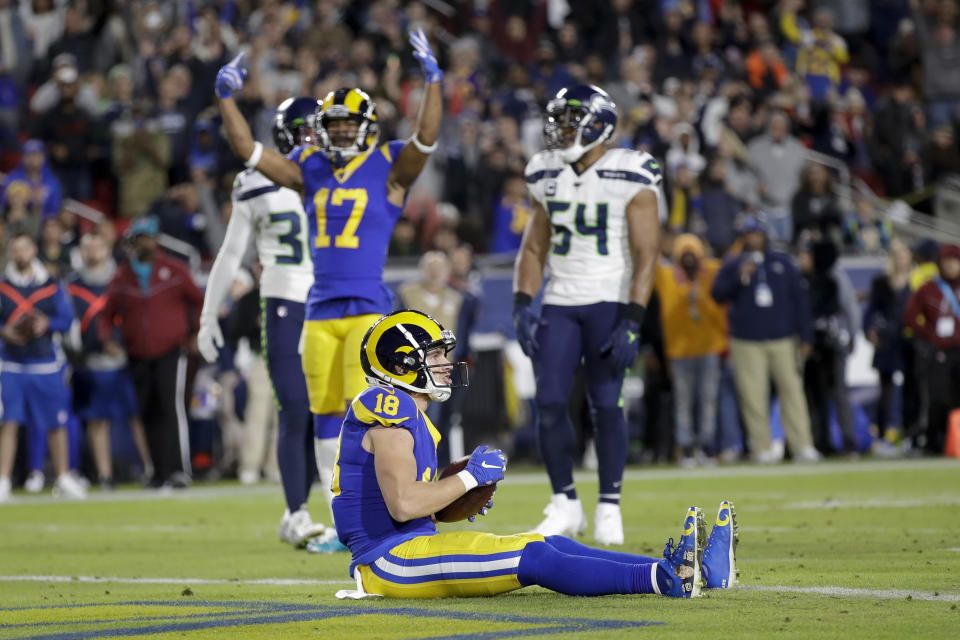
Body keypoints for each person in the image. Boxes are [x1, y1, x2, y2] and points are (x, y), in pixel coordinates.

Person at [331, 310, 739, 599]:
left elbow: (406, 504)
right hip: (388, 563)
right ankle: (667, 579)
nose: (446, 363)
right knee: (536, 556)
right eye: (435, 355)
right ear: (401, 364)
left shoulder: (414, 416)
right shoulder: (387, 406)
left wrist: (450, 501)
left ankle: (694, 569)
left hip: (407, 550)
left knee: (551, 541)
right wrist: (467, 479)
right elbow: (402, 505)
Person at [215, 30, 442, 548]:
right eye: (333, 126)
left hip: (366, 310)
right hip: (318, 310)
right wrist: (226, 98)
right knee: (321, 412)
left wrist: (433, 82)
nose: (339, 134)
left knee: (362, 413)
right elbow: (249, 151)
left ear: (365, 128)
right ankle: (344, 520)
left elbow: (425, 141)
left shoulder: (388, 165)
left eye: (347, 125)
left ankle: (373, 513)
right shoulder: (311, 168)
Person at [512, 84, 661, 545]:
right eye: (558, 118)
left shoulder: (631, 171)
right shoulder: (543, 171)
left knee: (606, 404)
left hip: (609, 298)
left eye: (572, 119)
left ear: (600, 124)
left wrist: (634, 317)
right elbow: (534, 246)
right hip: (561, 299)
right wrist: (521, 302)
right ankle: (565, 502)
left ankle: (610, 505)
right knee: (551, 402)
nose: (561, 128)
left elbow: (647, 253)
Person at [197, 96, 327, 550]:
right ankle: (296, 512)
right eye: (306, 128)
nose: (314, 137)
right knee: (295, 407)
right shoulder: (255, 178)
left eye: (319, 128)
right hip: (284, 301)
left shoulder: (339, 171)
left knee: (334, 412)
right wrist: (209, 312)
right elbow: (232, 252)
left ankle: (344, 509)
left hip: (332, 300)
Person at [99, 216, 204, 489]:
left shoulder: (175, 269)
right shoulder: (123, 276)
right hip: (137, 353)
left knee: (171, 408)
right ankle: (158, 472)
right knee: (147, 412)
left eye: (149, 237)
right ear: (134, 241)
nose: (145, 242)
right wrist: (108, 340)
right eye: (140, 238)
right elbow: (105, 314)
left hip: (172, 350)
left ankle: (179, 470)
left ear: (157, 240)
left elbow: (201, 301)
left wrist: (196, 334)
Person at [711, 216, 820, 463]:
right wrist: (739, 277)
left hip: (782, 338)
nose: (753, 238)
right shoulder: (733, 263)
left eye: (757, 233)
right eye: (748, 234)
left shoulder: (782, 262)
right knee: (753, 395)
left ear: (764, 235)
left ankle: (802, 445)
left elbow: (800, 301)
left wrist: (805, 336)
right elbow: (717, 295)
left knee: (792, 391)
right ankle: (760, 447)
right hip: (747, 341)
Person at [0, 234, 85, 502]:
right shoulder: (2, 285)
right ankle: (3, 480)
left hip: (45, 363)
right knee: (8, 422)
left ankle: (62, 476)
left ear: (33, 249)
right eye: (16, 248)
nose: (20, 253)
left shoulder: (50, 285)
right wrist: (5, 332)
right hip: (11, 363)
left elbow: (67, 318)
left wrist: (44, 324)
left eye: (24, 247)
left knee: (56, 422)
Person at [65, 232, 152, 489]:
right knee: (97, 419)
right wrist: (83, 351)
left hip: (128, 358)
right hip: (91, 360)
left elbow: (138, 315)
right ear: (81, 252)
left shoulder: (125, 279)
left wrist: (126, 343)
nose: (93, 252)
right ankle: (104, 475)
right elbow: (70, 326)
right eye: (87, 247)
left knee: (139, 416)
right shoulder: (72, 284)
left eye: (98, 246)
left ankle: (152, 468)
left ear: (107, 248)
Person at [654, 234, 727, 466]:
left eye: (693, 253)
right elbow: (649, 262)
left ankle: (705, 446)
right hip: (679, 350)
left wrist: (700, 297)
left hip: (708, 347)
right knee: (683, 402)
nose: (689, 258)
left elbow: (731, 259)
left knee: (708, 400)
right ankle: (685, 448)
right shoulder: (667, 276)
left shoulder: (711, 273)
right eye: (683, 253)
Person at [902, 244, 960, 455]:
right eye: (947, 262)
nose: (951, 266)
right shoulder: (929, 289)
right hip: (940, 351)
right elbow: (909, 317)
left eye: (955, 262)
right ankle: (935, 442)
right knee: (939, 398)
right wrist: (930, 333)